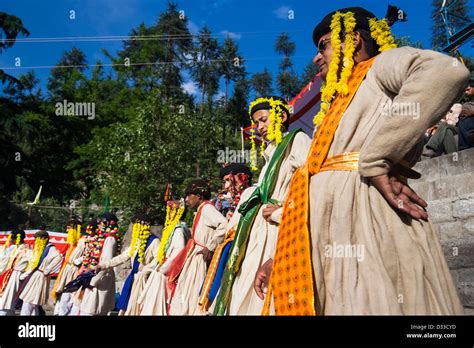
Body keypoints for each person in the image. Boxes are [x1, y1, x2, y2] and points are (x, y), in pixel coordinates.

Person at [257, 7, 469, 315]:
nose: (317, 58)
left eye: (323, 46)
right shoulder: (334, 104)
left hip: (365, 214)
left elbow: (447, 71)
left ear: (354, 40)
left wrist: (382, 155)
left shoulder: (378, 67)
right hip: (326, 230)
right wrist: (279, 256)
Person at [213, 96, 311, 315]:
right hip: (259, 232)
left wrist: (282, 212)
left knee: (266, 296)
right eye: (256, 123)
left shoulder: (297, 140)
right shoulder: (270, 154)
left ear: (282, 116)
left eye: (264, 120)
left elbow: (312, 185)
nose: (259, 127)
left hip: (281, 231)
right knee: (243, 293)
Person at [198, 163, 255, 312]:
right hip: (231, 248)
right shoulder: (232, 201)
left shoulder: (251, 193)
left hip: (245, 249)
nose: (226, 185)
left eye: (228, 180)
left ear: (241, 178)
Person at [168, 179, 227, 315]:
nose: (186, 200)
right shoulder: (202, 209)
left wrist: (210, 247)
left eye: (189, 196)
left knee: (194, 294)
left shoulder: (207, 208)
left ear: (199, 196)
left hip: (200, 259)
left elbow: (224, 225)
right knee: (187, 294)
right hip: (195, 257)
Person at [95, 214, 159, 315]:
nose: (134, 228)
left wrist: (146, 271)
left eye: (136, 225)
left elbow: (158, 260)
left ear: (142, 226)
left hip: (144, 280)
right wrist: (103, 265)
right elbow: (123, 257)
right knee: (126, 306)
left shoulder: (154, 242)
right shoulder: (137, 242)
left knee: (139, 309)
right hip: (133, 279)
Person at [138, 201, 190, 315]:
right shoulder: (172, 229)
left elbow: (179, 251)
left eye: (170, 211)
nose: (168, 214)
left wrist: (163, 268)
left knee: (159, 307)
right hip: (163, 270)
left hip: (167, 273)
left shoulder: (178, 230)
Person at [78, 213, 119, 315]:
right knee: (88, 309)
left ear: (108, 224)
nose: (99, 225)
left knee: (93, 310)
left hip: (100, 278)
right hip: (95, 275)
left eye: (101, 222)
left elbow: (106, 262)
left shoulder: (110, 239)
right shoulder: (103, 238)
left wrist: (93, 281)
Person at [18, 230, 63, 315]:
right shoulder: (42, 247)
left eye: (37, 239)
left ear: (43, 238)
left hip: (40, 275)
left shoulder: (51, 248)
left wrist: (47, 270)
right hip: (36, 275)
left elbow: (58, 257)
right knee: (32, 302)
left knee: (29, 301)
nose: (35, 241)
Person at [51, 219, 85, 316]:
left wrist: (79, 261)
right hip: (67, 269)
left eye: (69, 229)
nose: (67, 231)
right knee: (63, 295)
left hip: (75, 270)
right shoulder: (72, 242)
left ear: (75, 229)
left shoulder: (83, 240)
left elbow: (88, 254)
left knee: (69, 296)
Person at [0, 229, 31, 315]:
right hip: (8, 275)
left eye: (12, 238)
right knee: (5, 298)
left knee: (8, 299)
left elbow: (33, 264)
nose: (10, 240)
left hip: (16, 276)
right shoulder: (14, 248)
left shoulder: (27, 249)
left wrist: (23, 275)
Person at [458, 79, 474, 150]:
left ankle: (464, 149)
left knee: (464, 122)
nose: (467, 88)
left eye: (470, 86)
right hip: (465, 125)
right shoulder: (466, 101)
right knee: (445, 127)